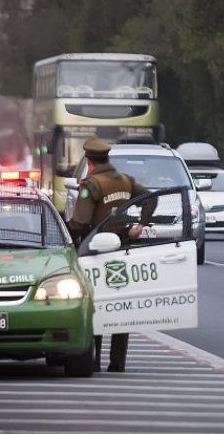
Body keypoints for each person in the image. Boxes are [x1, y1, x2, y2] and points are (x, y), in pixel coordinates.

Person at [67, 137, 152, 372]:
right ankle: (117, 363)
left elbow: (79, 223)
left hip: (94, 253)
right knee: (120, 306)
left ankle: (93, 360)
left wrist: (62, 231)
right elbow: (150, 200)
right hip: (122, 249)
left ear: (89, 161)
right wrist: (140, 226)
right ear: (107, 158)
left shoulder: (92, 185)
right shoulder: (125, 181)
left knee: (94, 306)